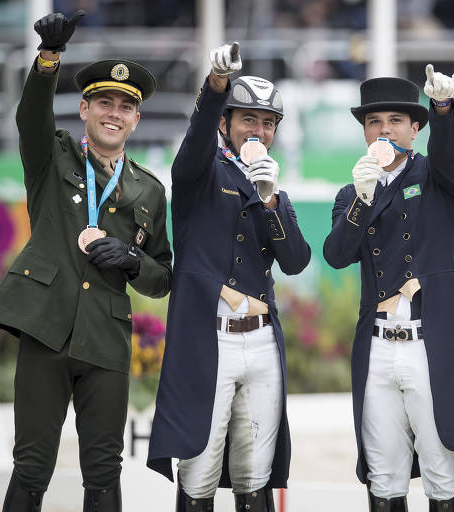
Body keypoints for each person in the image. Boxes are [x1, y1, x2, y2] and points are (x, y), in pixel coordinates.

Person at [0, 10, 173, 512]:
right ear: (85, 109)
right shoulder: (54, 156)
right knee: (31, 465)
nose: (115, 112)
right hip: (46, 328)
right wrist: (49, 59)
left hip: (106, 341)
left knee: (104, 472)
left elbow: (162, 277)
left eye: (126, 106)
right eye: (104, 102)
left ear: (137, 118)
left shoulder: (150, 190)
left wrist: (133, 260)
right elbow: (30, 116)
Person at [322, 67, 454, 512]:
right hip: (380, 345)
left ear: (415, 127)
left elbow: (450, 152)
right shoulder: (353, 190)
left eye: (395, 120)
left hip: (431, 343)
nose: (384, 130)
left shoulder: (440, 177)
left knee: (443, 471)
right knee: (384, 475)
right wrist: (363, 201)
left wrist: (444, 109)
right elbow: (336, 254)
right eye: (374, 122)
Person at [146, 42, 311, 512]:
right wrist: (216, 85)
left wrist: (271, 199)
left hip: (260, 344)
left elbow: (296, 260)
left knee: (254, 476)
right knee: (197, 470)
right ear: (226, 123)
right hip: (208, 338)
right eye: (248, 120)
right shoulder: (198, 171)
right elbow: (197, 135)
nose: (258, 131)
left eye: (267, 123)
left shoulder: (273, 185)